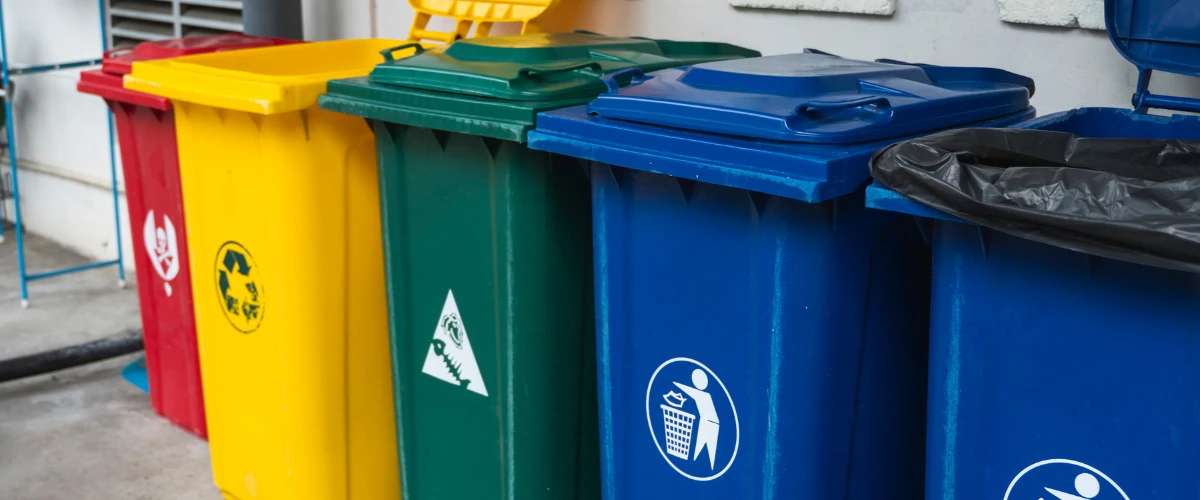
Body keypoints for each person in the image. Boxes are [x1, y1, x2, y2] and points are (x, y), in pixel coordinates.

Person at [674, 369, 719, 469]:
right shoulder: (707, 395)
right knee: (704, 449)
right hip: (712, 422)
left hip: (709, 423)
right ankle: (700, 467)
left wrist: (677, 384)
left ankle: (701, 467)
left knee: (706, 450)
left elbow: (690, 391)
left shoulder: (704, 395)